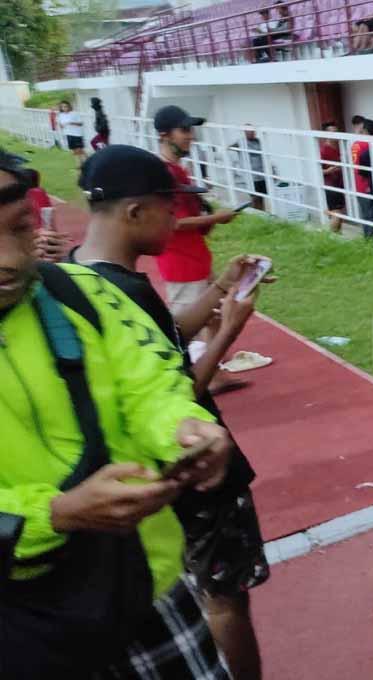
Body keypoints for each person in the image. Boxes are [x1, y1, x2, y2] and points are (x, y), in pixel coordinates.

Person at [0, 146, 234, 679]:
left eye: (19, 228)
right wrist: (54, 515)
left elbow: (152, 384)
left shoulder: (81, 293)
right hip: (21, 620)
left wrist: (183, 428)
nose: (9, 259)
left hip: (146, 587)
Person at [70, 145, 271, 680]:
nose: (177, 221)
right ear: (135, 212)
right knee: (225, 598)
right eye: (170, 208)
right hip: (198, 470)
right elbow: (176, 389)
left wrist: (221, 287)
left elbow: (166, 340)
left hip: (162, 475)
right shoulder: (123, 288)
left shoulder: (81, 277)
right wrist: (227, 333)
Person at [154, 105, 242, 390]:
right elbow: (176, 223)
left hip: (196, 258)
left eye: (191, 130)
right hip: (180, 263)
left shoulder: (178, 171)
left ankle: (213, 375)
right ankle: (187, 382)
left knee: (214, 317)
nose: (190, 136)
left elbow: (191, 221)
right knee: (188, 325)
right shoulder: (163, 174)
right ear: (165, 134)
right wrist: (217, 218)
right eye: (184, 130)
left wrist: (209, 219)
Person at [350, 115, 373, 238]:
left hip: (359, 183)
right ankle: (372, 240)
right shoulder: (368, 144)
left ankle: (368, 240)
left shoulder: (356, 144)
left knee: (366, 214)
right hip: (367, 183)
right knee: (371, 214)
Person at [231, 125, 267, 211]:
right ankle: (255, 211)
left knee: (262, 196)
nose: (252, 133)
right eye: (249, 131)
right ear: (245, 132)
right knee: (254, 197)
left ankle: (262, 212)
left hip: (262, 174)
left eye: (253, 131)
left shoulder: (258, 141)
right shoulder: (241, 142)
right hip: (251, 176)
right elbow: (230, 147)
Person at [319, 122, 346, 233]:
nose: (334, 134)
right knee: (337, 213)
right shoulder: (323, 150)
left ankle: (337, 235)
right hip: (330, 185)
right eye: (331, 132)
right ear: (325, 134)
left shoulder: (341, 147)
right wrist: (328, 171)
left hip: (340, 184)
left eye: (336, 132)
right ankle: (331, 236)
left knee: (340, 213)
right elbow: (316, 171)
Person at [58, 100, 86, 168]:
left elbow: (81, 123)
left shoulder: (74, 113)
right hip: (68, 134)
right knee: (74, 150)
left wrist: (72, 123)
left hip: (77, 134)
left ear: (69, 106)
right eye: (62, 107)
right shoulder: (61, 115)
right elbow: (61, 125)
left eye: (65, 106)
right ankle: (79, 163)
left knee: (79, 149)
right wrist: (61, 125)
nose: (64, 108)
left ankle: (84, 161)